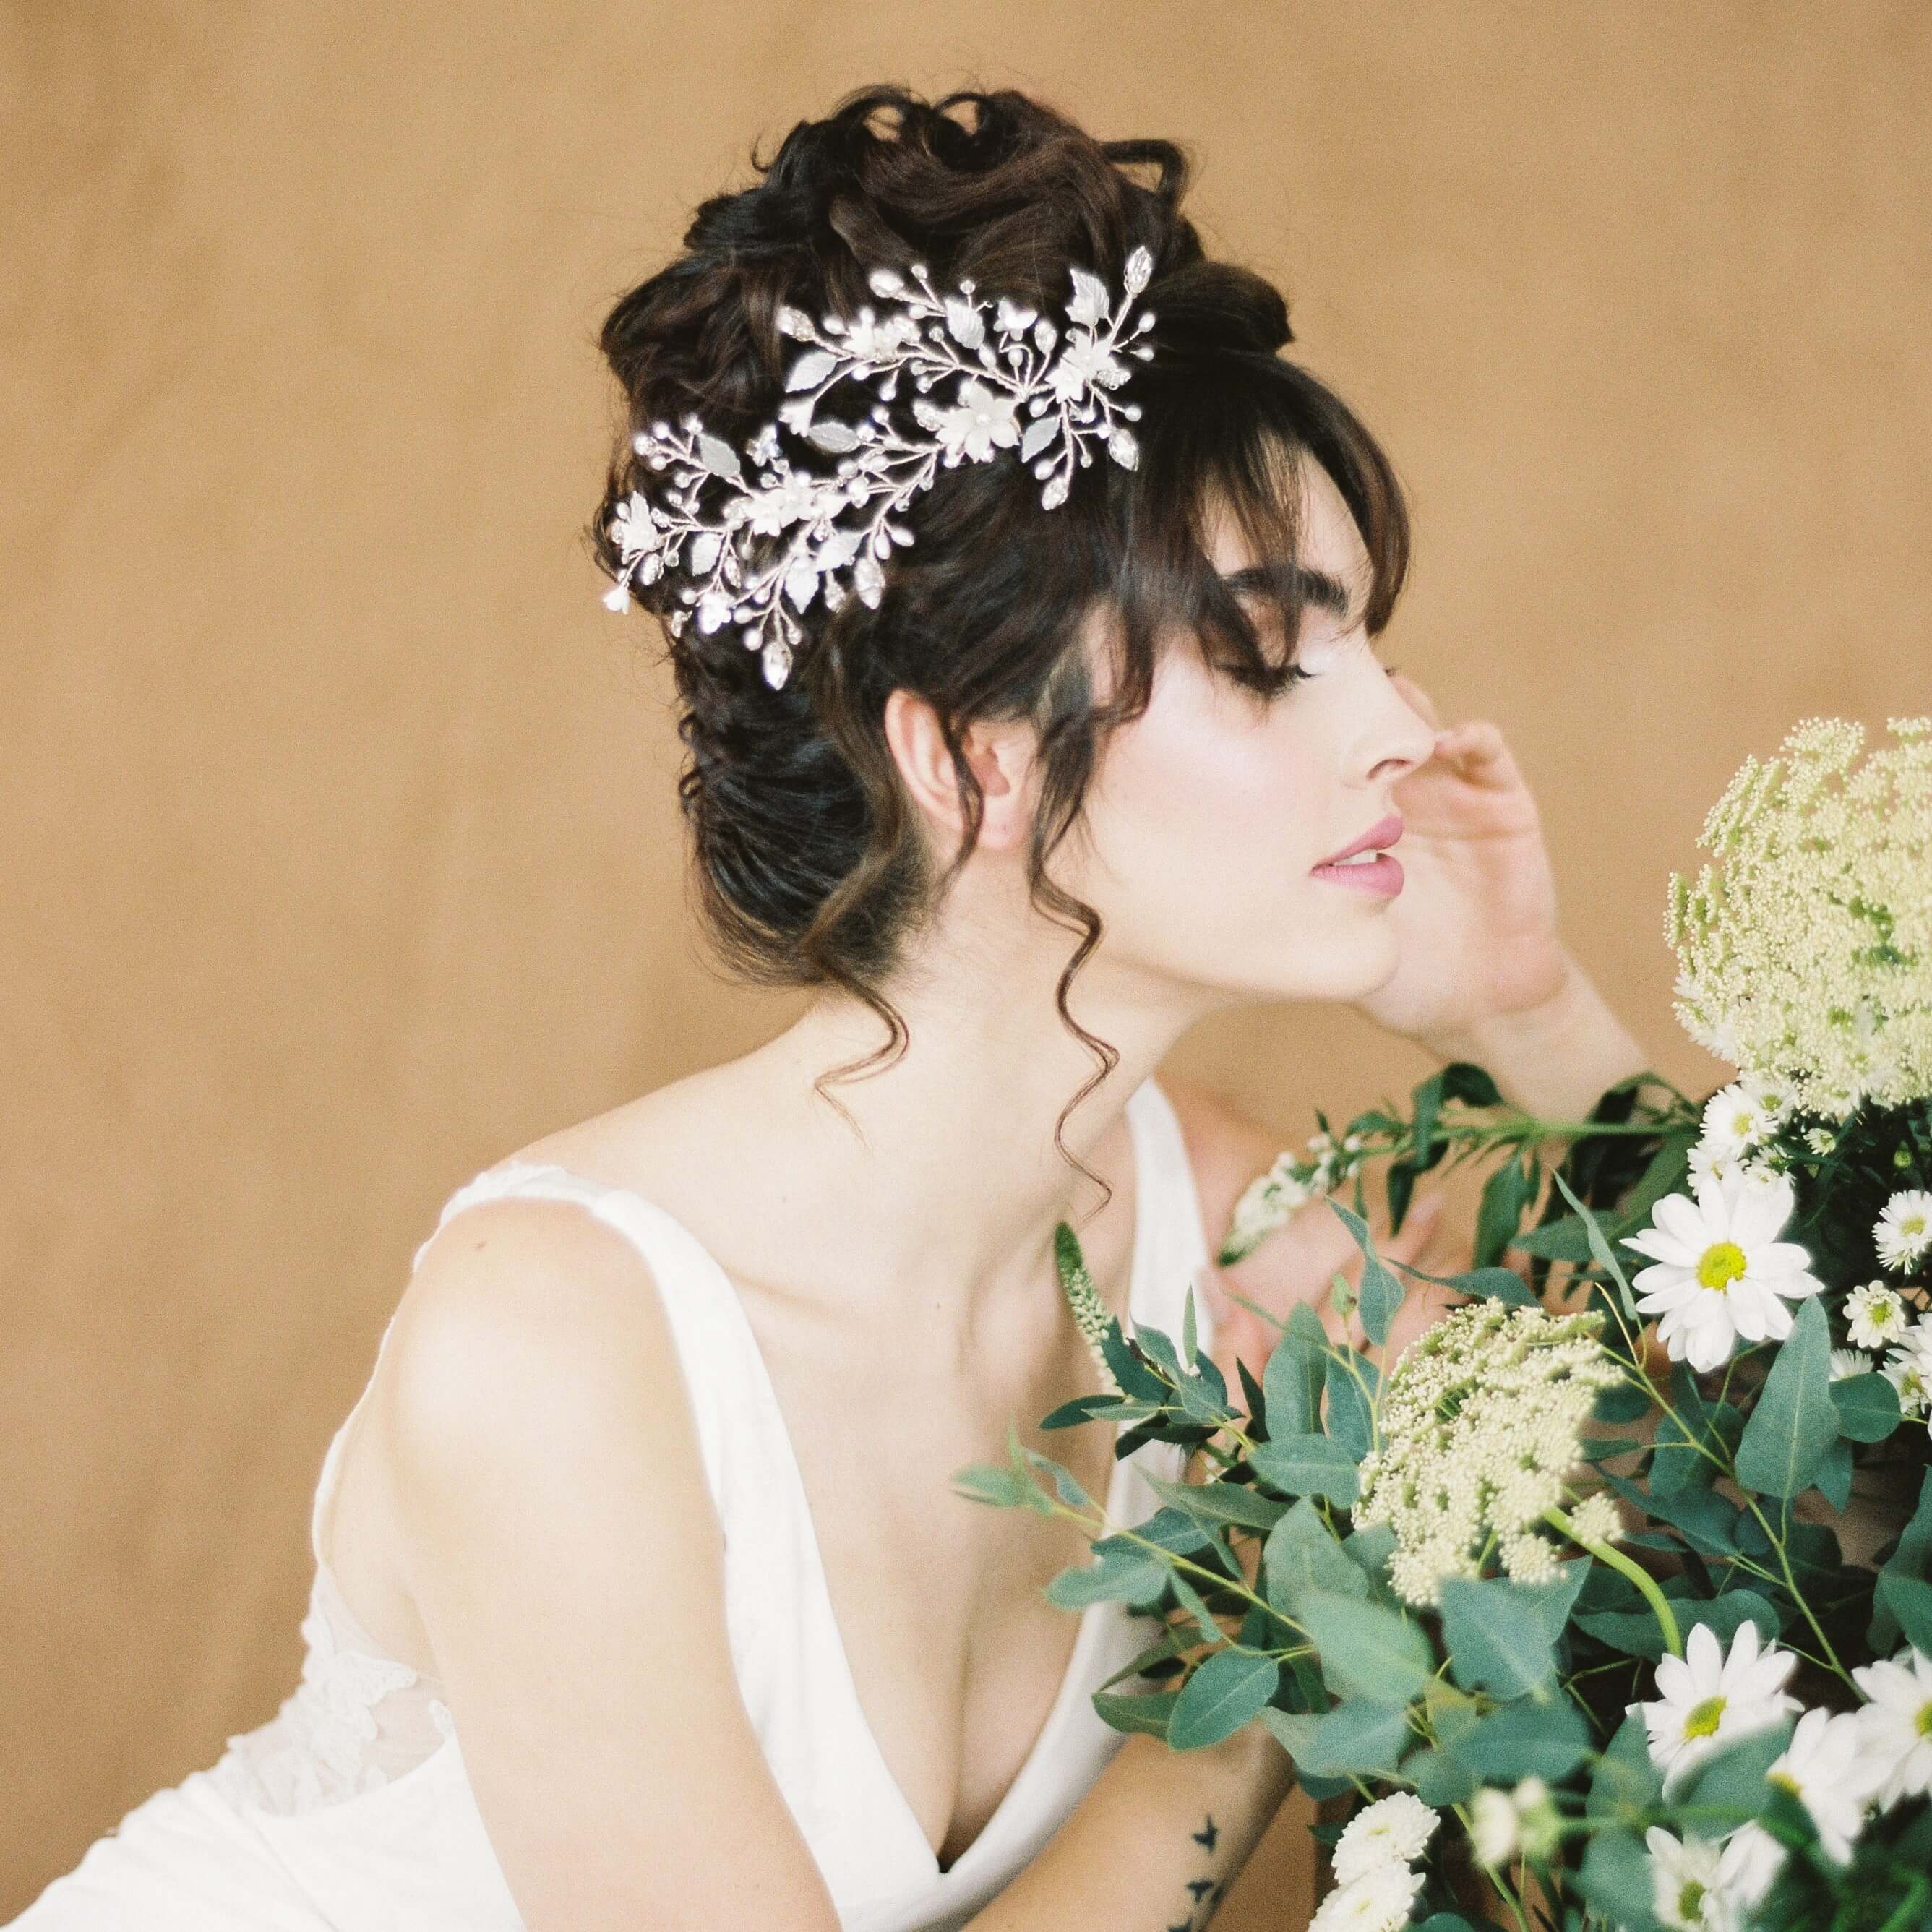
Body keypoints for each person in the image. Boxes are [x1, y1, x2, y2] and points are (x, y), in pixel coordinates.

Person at [14, 82, 1650, 1932]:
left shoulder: (1227, 1232)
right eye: (1273, 658)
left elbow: (1811, 1526)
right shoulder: (552, 1343)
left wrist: (1530, 1013)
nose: (1400, 728)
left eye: (1368, 635)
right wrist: (1281, 1640)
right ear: (966, 759)